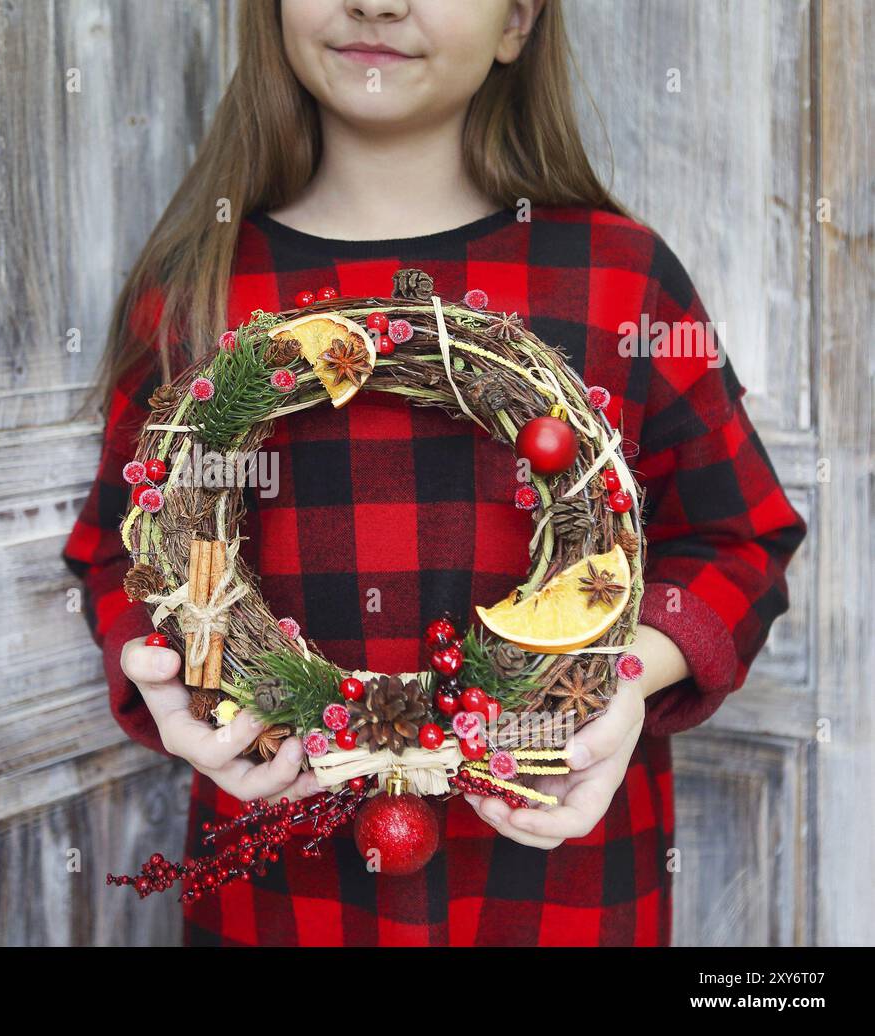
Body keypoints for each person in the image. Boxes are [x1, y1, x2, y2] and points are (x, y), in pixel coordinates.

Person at [64, 0, 806, 946]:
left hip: (556, 887)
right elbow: (115, 552)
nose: (378, 2)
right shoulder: (202, 290)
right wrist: (178, 687)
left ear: (517, 20)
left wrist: (623, 682)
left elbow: (740, 536)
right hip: (286, 900)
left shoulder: (618, 277)